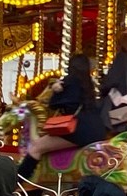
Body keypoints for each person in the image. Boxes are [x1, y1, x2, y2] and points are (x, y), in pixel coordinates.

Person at [18, 54, 105, 182]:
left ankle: (19, 181)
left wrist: (56, 90)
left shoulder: (70, 81)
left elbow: (55, 105)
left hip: (79, 130)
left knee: (36, 147)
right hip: (97, 130)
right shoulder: (89, 83)